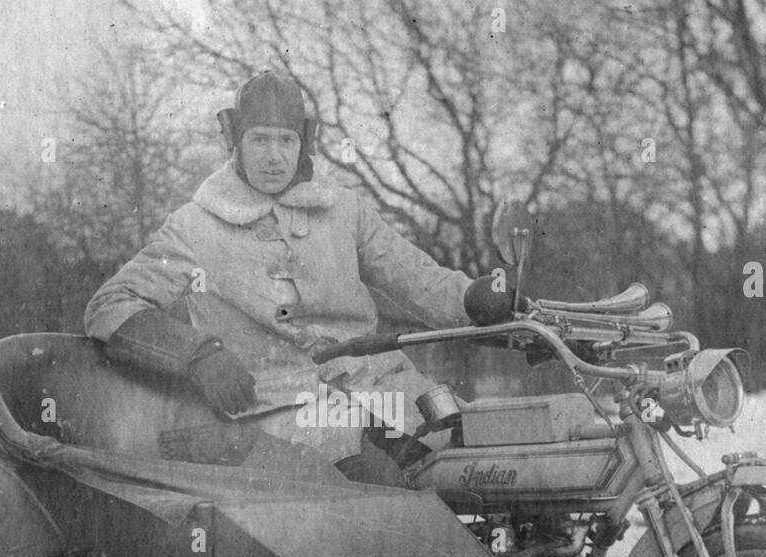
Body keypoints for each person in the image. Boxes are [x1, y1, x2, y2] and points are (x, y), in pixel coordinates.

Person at [85, 71, 475, 485]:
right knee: (389, 496)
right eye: (259, 140)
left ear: (303, 143)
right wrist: (197, 354)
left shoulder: (344, 211)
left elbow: (418, 279)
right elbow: (110, 305)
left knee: (479, 458)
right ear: (235, 141)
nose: (274, 156)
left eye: (286, 141)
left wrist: (483, 300)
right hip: (281, 413)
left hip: (384, 390)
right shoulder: (195, 226)